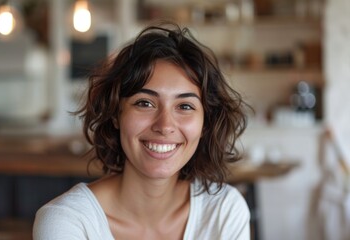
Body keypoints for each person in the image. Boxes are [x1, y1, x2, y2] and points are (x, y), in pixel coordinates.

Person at [33, 22, 250, 240]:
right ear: (116, 114)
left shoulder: (223, 211)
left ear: (205, 123)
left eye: (185, 106)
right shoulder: (66, 222)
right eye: (145, 103)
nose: (165, 126)